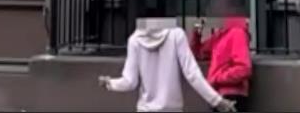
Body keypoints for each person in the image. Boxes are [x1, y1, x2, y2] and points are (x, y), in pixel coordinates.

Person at [99, 19, 236, 113]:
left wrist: (110, 83)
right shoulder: (176, 34)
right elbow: (192, 74)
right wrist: (217, 101)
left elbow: (130, 82)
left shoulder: (134, 40)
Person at [189, 0, 253, 113]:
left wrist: (218, 78)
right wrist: (196, 34)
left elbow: (244, 68)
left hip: (232, 95)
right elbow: (198, 53)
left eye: (215, 4)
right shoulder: (221, 34)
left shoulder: (237, 32)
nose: (211, 9)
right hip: (220, 94)